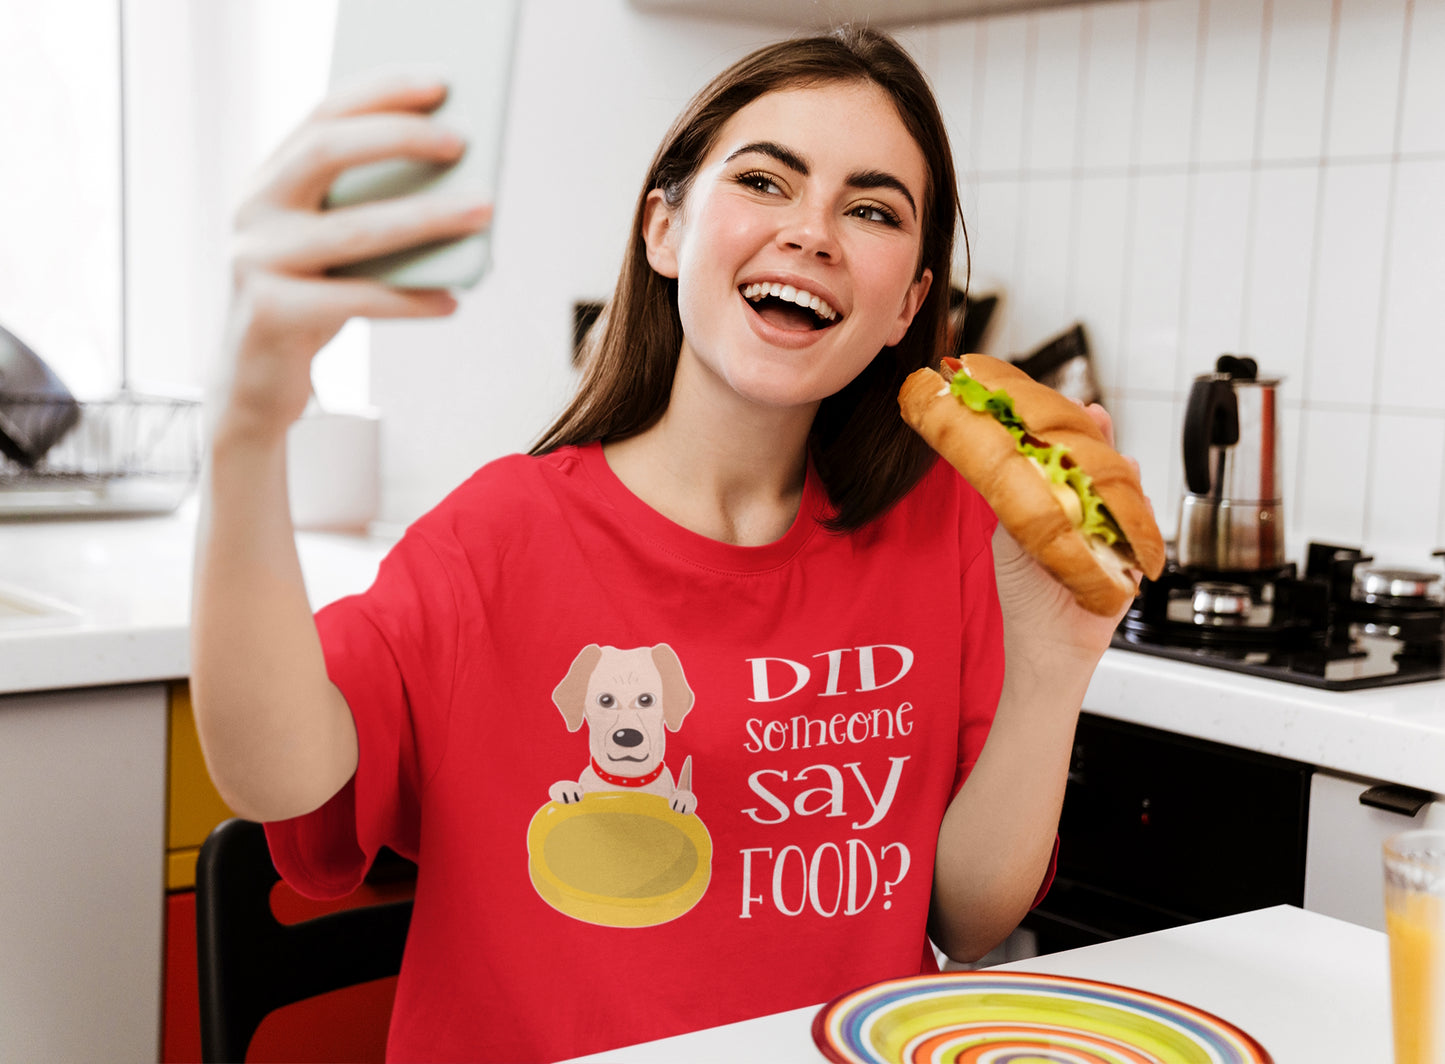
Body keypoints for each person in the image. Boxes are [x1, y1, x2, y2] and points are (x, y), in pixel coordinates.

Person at [191, 23, 1135, 1064]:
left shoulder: (946, 529)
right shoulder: (500, 535)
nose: (812, 232)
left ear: (908, 302)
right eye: (767, 182)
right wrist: (243, 434)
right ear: (664, 230)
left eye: (869, 210)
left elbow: (965, 915)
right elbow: (279, 778)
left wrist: (1052, 664)